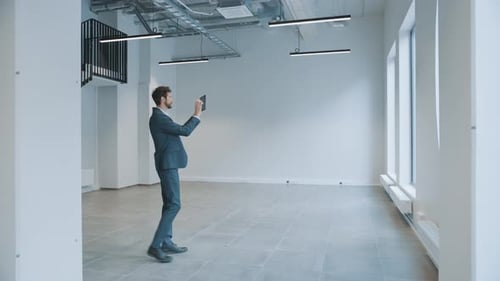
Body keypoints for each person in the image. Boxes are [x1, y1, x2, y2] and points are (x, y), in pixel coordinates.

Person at [147, 86, 202, 263]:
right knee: (174, 205)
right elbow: (185, 131)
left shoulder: (161, 117)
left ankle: (166, 241)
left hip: (168, 164)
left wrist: (194, 116)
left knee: (169, 203)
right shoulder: (158, 118)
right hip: (167, 165)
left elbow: (179, 129)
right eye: (170, 96)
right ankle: (155, 246)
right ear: (162, 99)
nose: (172, 99)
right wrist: (197, 114)